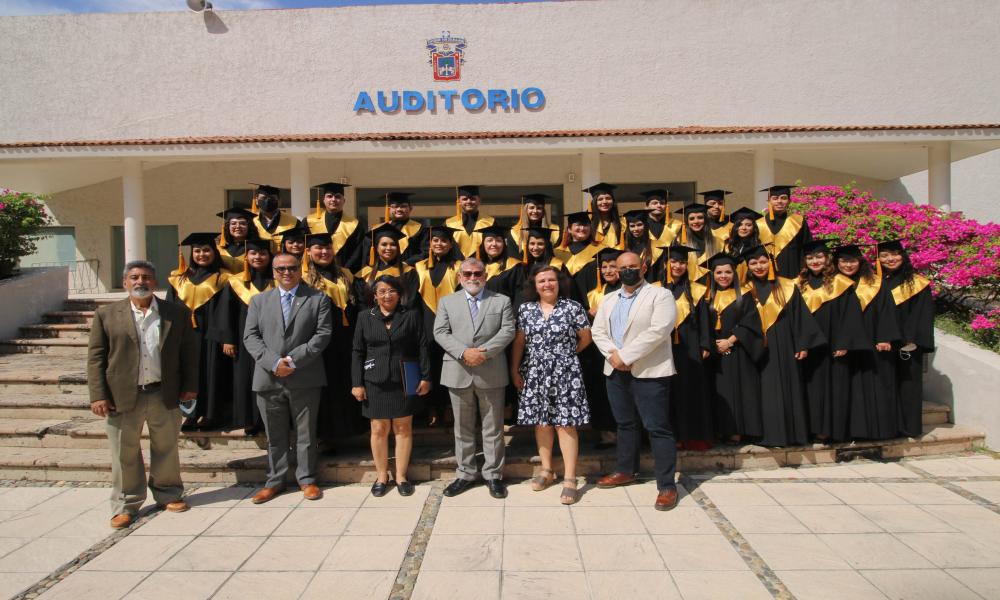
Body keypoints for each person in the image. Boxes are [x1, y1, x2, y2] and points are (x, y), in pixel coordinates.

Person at [87, 260, 199, 528]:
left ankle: (168, 493)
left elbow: (189, 354)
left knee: (166, 447)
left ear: (155, 282)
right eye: (134, 277)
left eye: (146, 277)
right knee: (124, 452)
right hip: (123, 396)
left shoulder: (176, 313)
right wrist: (98, 395)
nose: (141, 282)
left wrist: (190, 386)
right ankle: (126, 503)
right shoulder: (107, 315)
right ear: (125, 282)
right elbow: (96, 358)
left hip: (164, 392)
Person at [590, 251, 680, 511]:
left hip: (649, 371)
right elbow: (598, 331)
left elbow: (659, 330)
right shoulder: (608, 299)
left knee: (657, 427)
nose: (628, 270)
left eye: (633, 266)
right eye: (622, 267)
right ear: (616, 271)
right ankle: (626, 470)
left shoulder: (660, 295)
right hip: (616, 371)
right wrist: (615, 357)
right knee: (625, 424)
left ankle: (666, 485)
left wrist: (627, 355)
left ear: (643, 267)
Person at [242, 252, 333, 504]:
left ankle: (307, 479)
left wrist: (291, 361)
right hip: (268, 377)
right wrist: (273, 363)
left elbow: (322, 335)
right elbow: (250, 337)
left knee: (306, 433)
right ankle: (275, 480)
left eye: (292, 268)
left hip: (304, 375)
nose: (286, 272)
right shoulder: (259, 301)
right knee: (275, 434)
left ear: (299, 270)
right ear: (273, 272)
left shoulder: (317, 299)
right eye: (280, 268)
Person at [433, 258, 516, 499]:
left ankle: (493, 475)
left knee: (493, 428)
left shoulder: (501, 301)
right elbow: (440, 332)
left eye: (477, 273)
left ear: (485, 275)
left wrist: (484, 353)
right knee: (462, 428)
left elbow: (508, 330)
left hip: (490, 371)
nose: (472, 277)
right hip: (458, 371)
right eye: (467, 274)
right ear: (459, 277)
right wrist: (463, 352)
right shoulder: (447, 301)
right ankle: (466, 473)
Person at [510, 264, 592, 505]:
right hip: (534, 372)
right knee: (542, 423)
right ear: (534, 286)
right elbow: (519, 342)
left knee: (565, 424)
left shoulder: (572, 307)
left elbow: (586, 338)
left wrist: (565, 356)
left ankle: (569, 478)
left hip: (566, 373)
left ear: (559, 283)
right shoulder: (526, 310)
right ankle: (546, 470)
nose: (547, 284)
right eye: (542, 281)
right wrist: (514, 369)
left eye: (551, 280)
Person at [352, 275, 432, 497]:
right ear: (375, 295)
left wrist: (426, 377)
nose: (387, 295)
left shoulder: (412, 316)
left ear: (400, 294)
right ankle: (381, 475)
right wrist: (356, 383)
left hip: (405, 378)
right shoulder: (364, 317)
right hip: (374, 380)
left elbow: (422, 347)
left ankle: (401, 476)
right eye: (382, 291)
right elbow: (357, 351)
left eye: (392, 291)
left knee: (403, 428)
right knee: (378, 429)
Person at [742, 244, 825, 447]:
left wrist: (802, 344)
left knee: (787, 386)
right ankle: (762, 434)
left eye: (763, 261)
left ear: (770, 262)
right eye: (753, 263)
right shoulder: (744, 288)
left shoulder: (787, 286)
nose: (759, 266)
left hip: (783, 343)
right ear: (748, 266)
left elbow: (799, 317)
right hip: (753, 345)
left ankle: (790, 434)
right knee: (759, 390)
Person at [797, 239, 868, 442]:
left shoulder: (841, 284)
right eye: (810, 258)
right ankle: (810, 428)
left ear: (827, 258)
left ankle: (831, 430)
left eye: (819, 257)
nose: (815, 261)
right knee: (809, 388)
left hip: (833, 347)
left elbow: (851, 316)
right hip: (808, 349)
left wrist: (844, 343)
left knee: (833, 390)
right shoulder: (798, 284)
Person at [834, 243, 901, 440]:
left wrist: (884, 337)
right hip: (844, 343)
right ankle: (848, 430)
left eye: (853, 261)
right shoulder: (832, 284)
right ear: (836, 263)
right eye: (844, 261)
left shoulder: (874, 283)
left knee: (874, 385)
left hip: (871, 341)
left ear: (860, 261)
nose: (848, 265)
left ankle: (876, 430)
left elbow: (886, 311)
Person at [302, 232, 364, 442]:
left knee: (346, 382)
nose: (324, 252)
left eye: (328, 248)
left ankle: (348, 431)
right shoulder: (303, 279)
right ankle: (326, 436)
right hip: (320, 340)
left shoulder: (345, 274)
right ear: (308, 252)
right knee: (325, 386)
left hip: (346, 338)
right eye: (318, 248)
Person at [165, 233, 231, 431]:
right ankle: (190, 414)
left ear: (214, 252)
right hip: (185, 335)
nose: (202, 254)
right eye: (197, 251)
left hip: (210, 335)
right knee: (187, 373)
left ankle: (211, 414)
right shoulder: (179, 279)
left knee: (210, 373)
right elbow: (169, 307)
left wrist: (223, 335)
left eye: (207, 250)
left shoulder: (223, 278)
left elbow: (225, 310)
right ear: (191, 253)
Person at [214, 238, 273, 434]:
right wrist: (228, 338)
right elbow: (225, 313)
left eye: (263, 253)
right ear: (246, 256)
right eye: (254, 253)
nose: (258, 257)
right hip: (242, 339)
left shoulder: (276, 280)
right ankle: (249, 420)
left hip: (272, 340)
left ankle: (268, 420)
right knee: (245, 378)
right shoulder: (235, 282)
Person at [877, 239, 934, 438]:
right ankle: (890, 427)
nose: (890, 259)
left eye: (894, 254)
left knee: (909, 386)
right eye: (884, 255)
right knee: (886, 386)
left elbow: (923, 314)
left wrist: (911, 341)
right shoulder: (876, 282)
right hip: (883, 343)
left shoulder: (917, 283)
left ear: (903, 255)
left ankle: (909, 427)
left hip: (908, 344)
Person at [705, 252, 764, 444]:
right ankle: (721, 430)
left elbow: (751, 322)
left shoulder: (745, 295)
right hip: (715, 353)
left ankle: (738, 431)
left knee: (741, 390)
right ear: (712, 275)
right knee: (719, 392)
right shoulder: (707, 297)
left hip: (739, 350)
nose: (723, 276)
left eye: (728, 272)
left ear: (734, 274)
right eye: (719, 272)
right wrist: (712, 343)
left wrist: (730, 341)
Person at [660, 245, 714, 450]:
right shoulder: (656, 288)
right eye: (673, 261)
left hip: (690, 347)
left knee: (690, 390)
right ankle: (670, 436)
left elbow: (703, 320)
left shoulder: (697, 290)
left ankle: (692, 435)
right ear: (666, 263)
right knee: (667, 391)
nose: (677, 265)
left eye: (682, 262)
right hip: (662, 347)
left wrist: (705, 343)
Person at [414, 224, 465, 426]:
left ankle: (449, 406)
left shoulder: (459, 266)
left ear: (450, 244)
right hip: (426, 321)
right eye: (435, 240)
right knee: (429, 364)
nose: (439, 243)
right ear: (430, 243)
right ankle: (431, 406)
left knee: (451, 365)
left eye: (444, 240)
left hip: (452, 322)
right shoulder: (419, 266)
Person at [583, 248, 622, 449]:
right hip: (598, 351)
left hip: (622, 347)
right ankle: (606, 433)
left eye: (612, 266)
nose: (608, 270)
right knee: (601, 391)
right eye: (604, 267)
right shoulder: (594, 293)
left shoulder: (628, 290)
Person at [355, 223, 419, 309]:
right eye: (384, 244)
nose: (388, 248)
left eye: (393, 244)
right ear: (376, 248)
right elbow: (361, 305)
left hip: (402, 320)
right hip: (371, 320)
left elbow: (411, 302)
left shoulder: (409, 272)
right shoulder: (364, 275)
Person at [756, 185, 812, 279]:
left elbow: (807, 248)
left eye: (783, 198)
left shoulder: (798, 221)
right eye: (775, 198)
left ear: (789, 201)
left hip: (793, 273)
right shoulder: (758, 224)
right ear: (769, 201)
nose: (779, 201)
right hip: (765, 275)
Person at [306, 181, 364, 271]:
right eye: (329, 196)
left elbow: (358, 252)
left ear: (344, 201)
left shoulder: (355, 224)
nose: (333, 199)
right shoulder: (309, 221)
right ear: (323, 200)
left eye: (337, 196)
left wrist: (345, 271)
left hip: (345, 273)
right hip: (313, 272)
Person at [359, 192, 427, 265]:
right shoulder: (377, 230)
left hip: (410, 271)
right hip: (381, 271)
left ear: (410, 209)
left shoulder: (420, 229)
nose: (399, 209)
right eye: (395, 206)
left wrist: (407, 263)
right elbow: (367, 253)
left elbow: (425, 252)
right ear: (389, 209)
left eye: (403, 206)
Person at [557, 210, 602, 303]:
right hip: (564, 303)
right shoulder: (557, 252)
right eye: (578, 225)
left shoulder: (601, 250)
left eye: (586, 225)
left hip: (591, 303)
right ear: (569, 229)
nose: (582, 228)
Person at [674, 203, 726, 284]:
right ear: (687, 222)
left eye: (700, 217)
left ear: (705, 219)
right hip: (686, 287)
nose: (696, 221)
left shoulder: (718, 243)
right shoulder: (679, 242)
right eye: (692, 218)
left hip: (711, 287)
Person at [445, 185, 495, 258]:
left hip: (482, 266)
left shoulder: (490, 222)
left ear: (479, 200)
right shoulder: (449, 224)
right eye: (465, 199)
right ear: (459, 201)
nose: (469, 201)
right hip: (455, 266)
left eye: (473, 199)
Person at [250, 184, 300, 253]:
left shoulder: (294, 221)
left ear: (279, 201)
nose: (267, 201)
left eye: (272, 198)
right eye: (263, 198)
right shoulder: (251, 221)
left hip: (285, 261)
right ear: (256, 200)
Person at [479, 224, 523, 300]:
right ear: (483, 244)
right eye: (489, 240)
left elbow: (519, 296)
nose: (494, 244)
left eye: (498, 240)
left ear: (504, 244)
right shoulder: (477, 267)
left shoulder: (514, 266)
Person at [215, 207, 259, 275]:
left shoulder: (257, 247)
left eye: (242, 223)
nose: (238, 226)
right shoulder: (218, 247)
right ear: (227, 226)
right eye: (233, 223)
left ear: (249, 227)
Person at [622, 209, 661, 281]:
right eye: (632, 226)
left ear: (645, 225)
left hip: (650, 285)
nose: (636, 229)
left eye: (639, 225)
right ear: (628, 227)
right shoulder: (623, 246)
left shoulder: (655, 246)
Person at [585, 182, 625, 249]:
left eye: (608, 198)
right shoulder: (587, 222)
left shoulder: (622, 222)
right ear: (594, 202)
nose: (604, 202)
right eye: (600, 199)